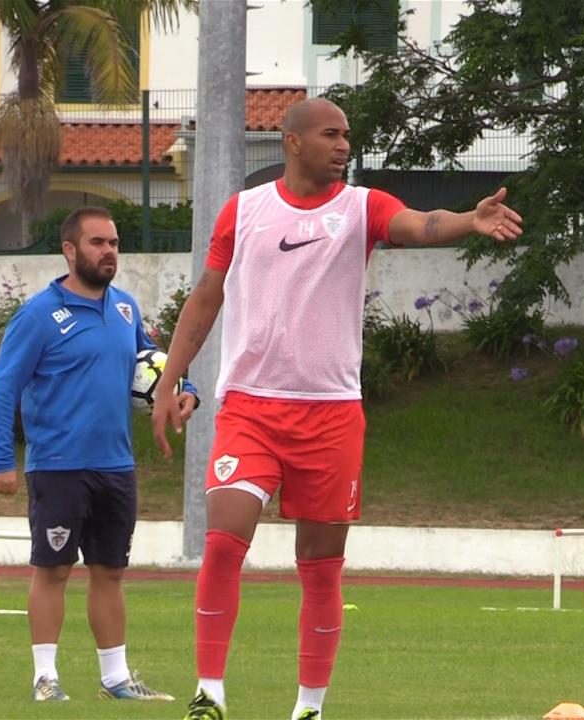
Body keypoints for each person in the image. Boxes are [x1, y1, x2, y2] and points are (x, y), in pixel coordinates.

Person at [151, 98, 523, 720]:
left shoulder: (363, 207)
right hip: (250, 409)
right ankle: (209, 694)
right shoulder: (243, 211)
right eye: (331, 134)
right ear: (292, 142)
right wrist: (169, 378)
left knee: (320, 569)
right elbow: (207, 298)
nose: (344, 144)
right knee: (222, 542)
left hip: (330, 415)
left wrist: (467, 221)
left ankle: (310, 708)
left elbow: (420, 224)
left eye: (348, 135)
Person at [0, 206, 200, 703]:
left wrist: (184, 387)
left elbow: (152, 364)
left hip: (116, 467)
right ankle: (46, 678)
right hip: (58, 467)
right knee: (53, 569)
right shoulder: (38, 315)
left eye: (114, 243)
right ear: (70, 250)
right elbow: (2, 391)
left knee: (110, 571)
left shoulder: (125, 308)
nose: (109, 252)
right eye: (98, 243)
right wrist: (1, 460)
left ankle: (116, 680)